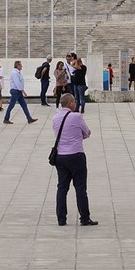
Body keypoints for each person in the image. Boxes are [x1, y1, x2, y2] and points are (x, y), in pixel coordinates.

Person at [50, 93, 96, 225]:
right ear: (70, 103)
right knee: (80, 188)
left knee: (62, 188)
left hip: (61, 157)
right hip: (76, 155)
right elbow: (87, 133)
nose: (75, 104)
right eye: (74, 102)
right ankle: (85, 218)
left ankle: (61, 218)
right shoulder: (77, 117)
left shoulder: (55, 118)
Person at [2, 60, 37, 125]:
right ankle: (6, 118)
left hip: (18, 91)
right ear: (17, 65)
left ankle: (29, 118)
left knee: (24, 105)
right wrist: (23, 91)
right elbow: (17, 83)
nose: (21, 66)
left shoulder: (18, 73)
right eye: (20, 65)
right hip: (16, 91)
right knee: (11, 105)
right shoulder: (14, 73)